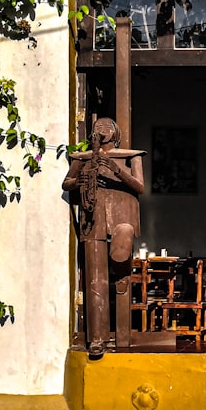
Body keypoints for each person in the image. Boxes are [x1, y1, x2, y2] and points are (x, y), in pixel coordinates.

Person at [62, 117, 145, 355]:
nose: (103, 130)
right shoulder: (84, 157)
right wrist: (81, 180)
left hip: (122, 211)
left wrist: (115, 168)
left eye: (108, 127)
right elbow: (66, 183)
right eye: (99, 127)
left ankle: (120, 271)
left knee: (121, 248)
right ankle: (97, 339)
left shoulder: (131, 156)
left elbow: (140, 186)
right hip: (93, 215)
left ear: (116, 133)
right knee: (95, 277)